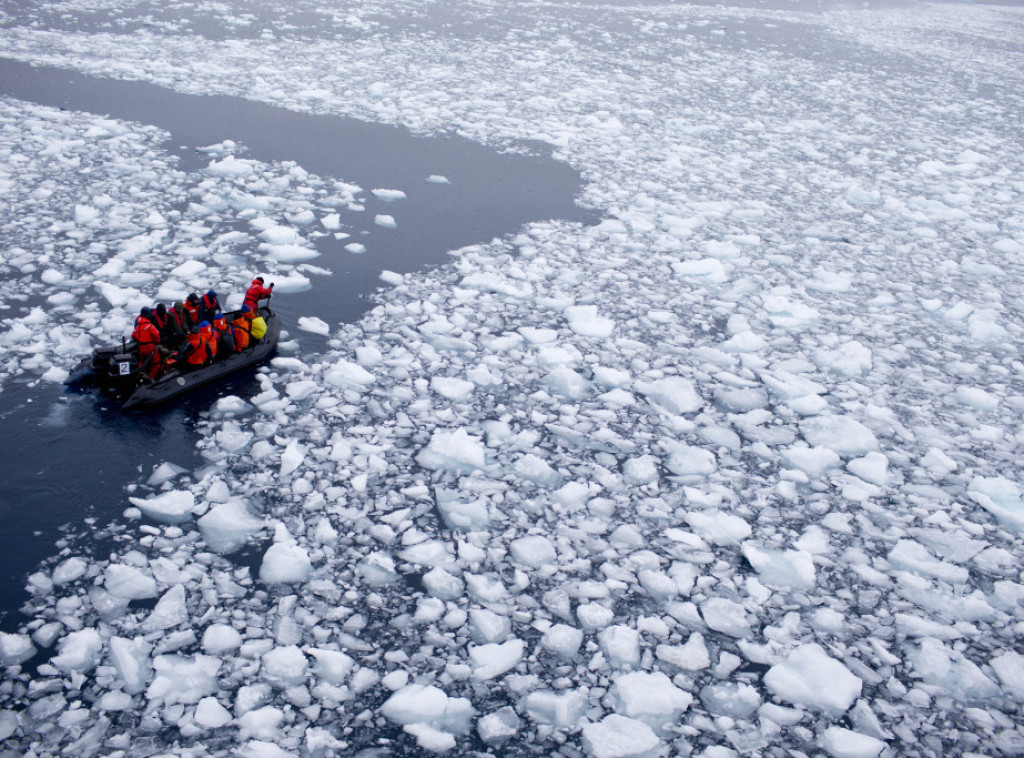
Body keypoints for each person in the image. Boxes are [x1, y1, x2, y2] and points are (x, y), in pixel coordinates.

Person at [131, 307, 164, 379]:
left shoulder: (137, 326)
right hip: (150, 347)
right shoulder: (150, 326)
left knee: (142, 362)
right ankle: (151, 378)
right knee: (156, 363)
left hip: (141, 348)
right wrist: (157, 343)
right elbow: (156, 334)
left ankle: (139, 376)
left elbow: (133, 336)